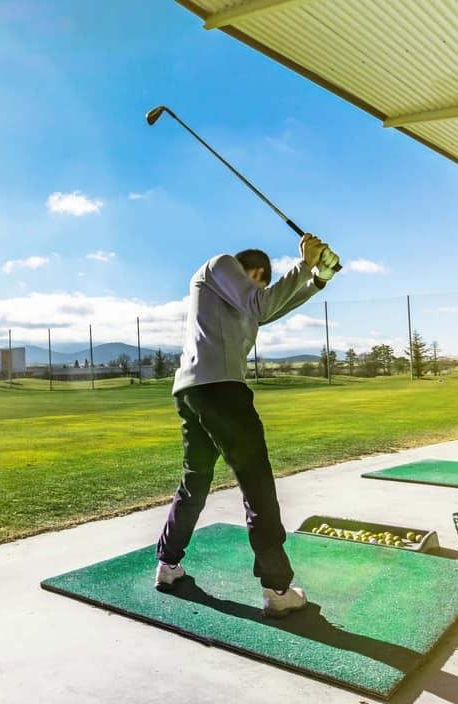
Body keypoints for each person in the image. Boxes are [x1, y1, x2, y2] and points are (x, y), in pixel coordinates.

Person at [154, 234, 340, 618]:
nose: (263, 289)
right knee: (256, 484)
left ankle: (168, 565)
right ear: (252, 272)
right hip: (221, 392)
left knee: (197, 479)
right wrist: (304, 263)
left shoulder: (236, 301)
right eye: (262, 281)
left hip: (194, 393)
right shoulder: (221, 264)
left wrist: (318, 279)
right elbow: (263, 302)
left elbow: (269, 308)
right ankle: (277, 588)